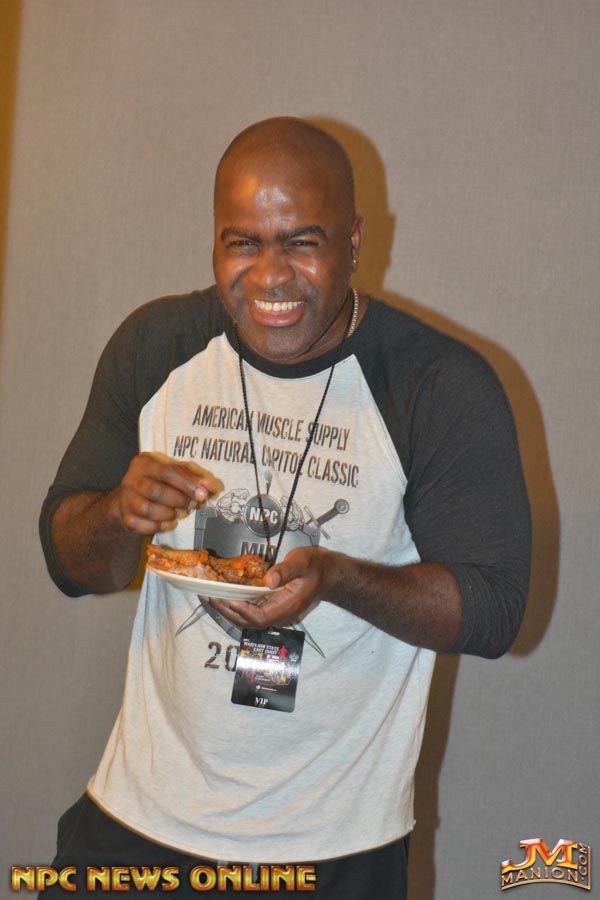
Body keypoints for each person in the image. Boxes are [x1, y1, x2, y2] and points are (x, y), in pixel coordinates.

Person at [39, 117, 531, 898]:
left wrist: (337, 578)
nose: (270, 276)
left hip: (332, 850)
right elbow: (71, 563)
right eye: (243, 243)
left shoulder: (434, 385)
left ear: (355, 243)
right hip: (139, 822)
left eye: (302, 243)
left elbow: (494, 611)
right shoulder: (158, 346)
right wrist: (117, 515)